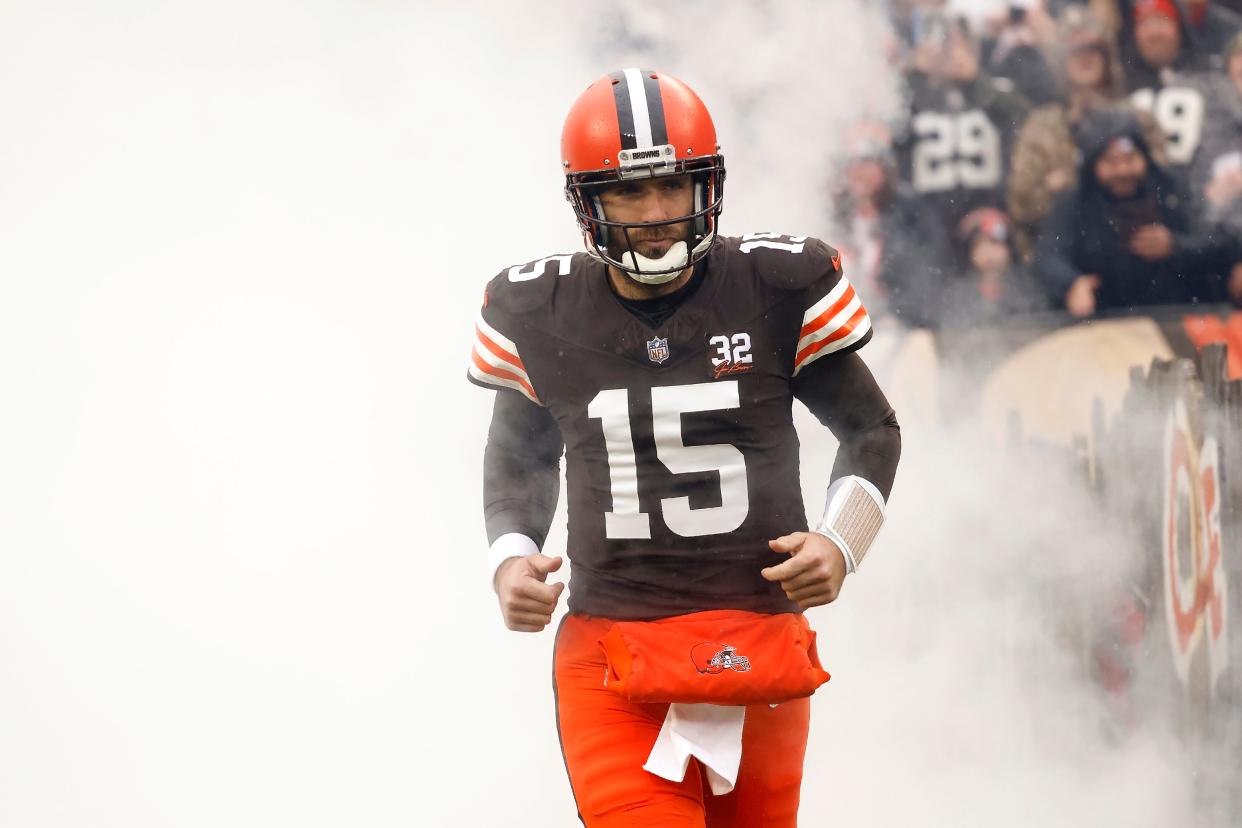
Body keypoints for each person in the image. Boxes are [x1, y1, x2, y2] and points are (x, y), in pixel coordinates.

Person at [468, 69, 901, 827]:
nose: (657, 213)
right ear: (585, 202)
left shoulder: (775, 284)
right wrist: (508, 554)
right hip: (612, 655)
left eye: (674, 185)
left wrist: (842, 543)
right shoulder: (539, 309)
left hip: (758, 650)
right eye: (628, 192)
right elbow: (519, 457)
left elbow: (872, 428)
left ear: (710, 184)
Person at [1034, 107, 1235, 315]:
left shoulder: (1171, 190)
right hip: (1104, 324)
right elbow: (1047, 256)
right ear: (1092, 165)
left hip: (1180, 318)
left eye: (1130, 159)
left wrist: (1175, 245)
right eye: (1110, 162)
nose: (1122, 170)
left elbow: (1222, 242)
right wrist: (1072, 284)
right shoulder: (1075, 202)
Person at [1007, 10, 1167, 254]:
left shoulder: (1138, 117)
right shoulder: (1042, 125)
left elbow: (1164, 184)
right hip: (1067, 255)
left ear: (1107, 57)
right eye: (1076, 51)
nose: (1086, 59)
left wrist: (1070, 182)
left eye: (1094, 50)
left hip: (1131, 248)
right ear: (1062, 61)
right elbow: (1022, 205)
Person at [895, 10, 1032, 235]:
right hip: (927, 219)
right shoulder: (914, 95)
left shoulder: (996, 88)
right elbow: (893, 132)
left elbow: (1022, 121)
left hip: (987, 210)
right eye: (944, 46)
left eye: (959, 45)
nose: (951, 55)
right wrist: (915, 76)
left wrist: (974, 81)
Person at [830, 120, 952, 326]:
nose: (859, 172)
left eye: (868, 163)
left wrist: (897, 314)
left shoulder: (914, 218)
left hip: (897, 329)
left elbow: (928, 282)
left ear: (885, 169)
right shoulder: (832, 219)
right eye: (853, 163)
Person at [938, 207, 1049, 326]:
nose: (988, 254)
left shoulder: (1029, 290)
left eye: (994, 242)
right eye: (978, 246)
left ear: (1010, 248)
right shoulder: (958, 295)